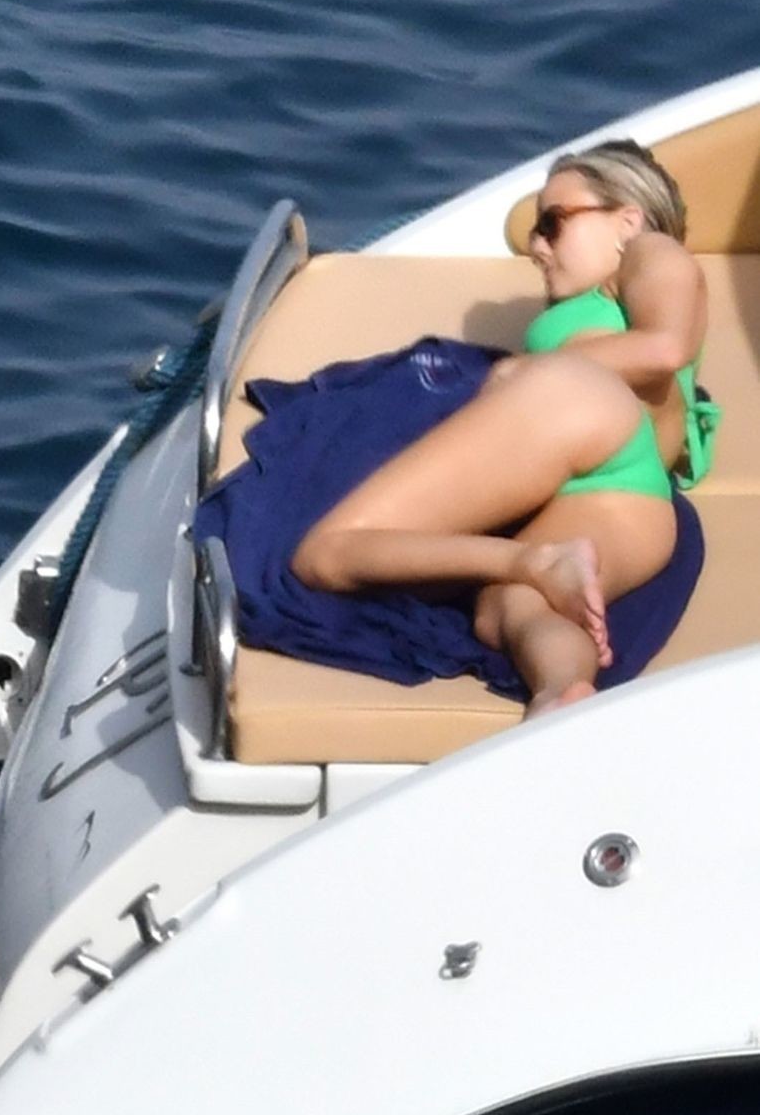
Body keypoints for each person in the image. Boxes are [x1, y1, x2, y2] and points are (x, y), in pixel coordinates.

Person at [290, 139, 713, 716]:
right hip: (632, 497)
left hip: (585, 419)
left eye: (553, 223)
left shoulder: (651, 250)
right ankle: (560, 693)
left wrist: (526, 371)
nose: (537, 246)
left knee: (325, 555)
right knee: (509, 606)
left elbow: (665, 348)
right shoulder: (609, 297)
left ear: (627, 220)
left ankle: (530, 567)